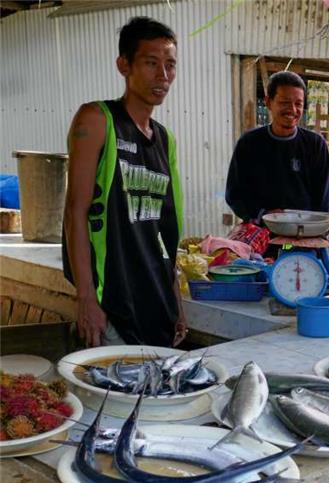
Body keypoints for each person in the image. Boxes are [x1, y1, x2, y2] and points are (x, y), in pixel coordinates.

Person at [63, 17, 186, 348]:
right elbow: (76, 212)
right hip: (112, 301)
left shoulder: (165, 140)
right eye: (151, 63)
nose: (163, 75)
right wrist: (86, 298)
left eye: (170, 65)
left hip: (156, 301)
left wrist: (175, 300)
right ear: (124, 65)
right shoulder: (97, 119)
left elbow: (165, 229)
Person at [225, 71, 329, 222]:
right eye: (285, 102)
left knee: (300, 247)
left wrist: (314, 230)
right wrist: (263, 215)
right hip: (261, 232)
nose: (293, 110)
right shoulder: (249, 143)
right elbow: (234, 194)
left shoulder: (315, 144)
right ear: (269, 102)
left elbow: (323, 202)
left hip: (304, 234)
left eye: (298, 104)